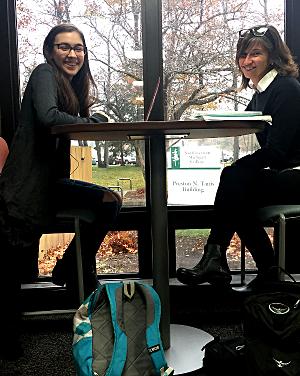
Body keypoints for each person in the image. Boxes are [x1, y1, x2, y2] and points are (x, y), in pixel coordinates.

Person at [0, 24, 122, 358]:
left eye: (78, 48)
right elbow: (49, 118)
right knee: (12, 266)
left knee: (109, 201)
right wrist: (91, 122)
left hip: (51, 187)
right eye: (64, 47)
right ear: (50, 51)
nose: (72, 54)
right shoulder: (43, 74)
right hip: (25, 188)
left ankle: (69, 268)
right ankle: (8, 336)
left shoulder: (68, 85)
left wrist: (89, 118)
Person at [176, 25, 300, 290]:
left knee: (234, 179)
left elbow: (277, 152)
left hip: (296, 174)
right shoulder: (262, 92)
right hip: (284, 172)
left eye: (256, 53)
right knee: (235, 192)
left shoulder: (286, 88)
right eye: (243, 55)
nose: (247, 61)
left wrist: (241, 167)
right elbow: (241, 120)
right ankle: (258, 270)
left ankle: (219, 259)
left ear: (273, 56)